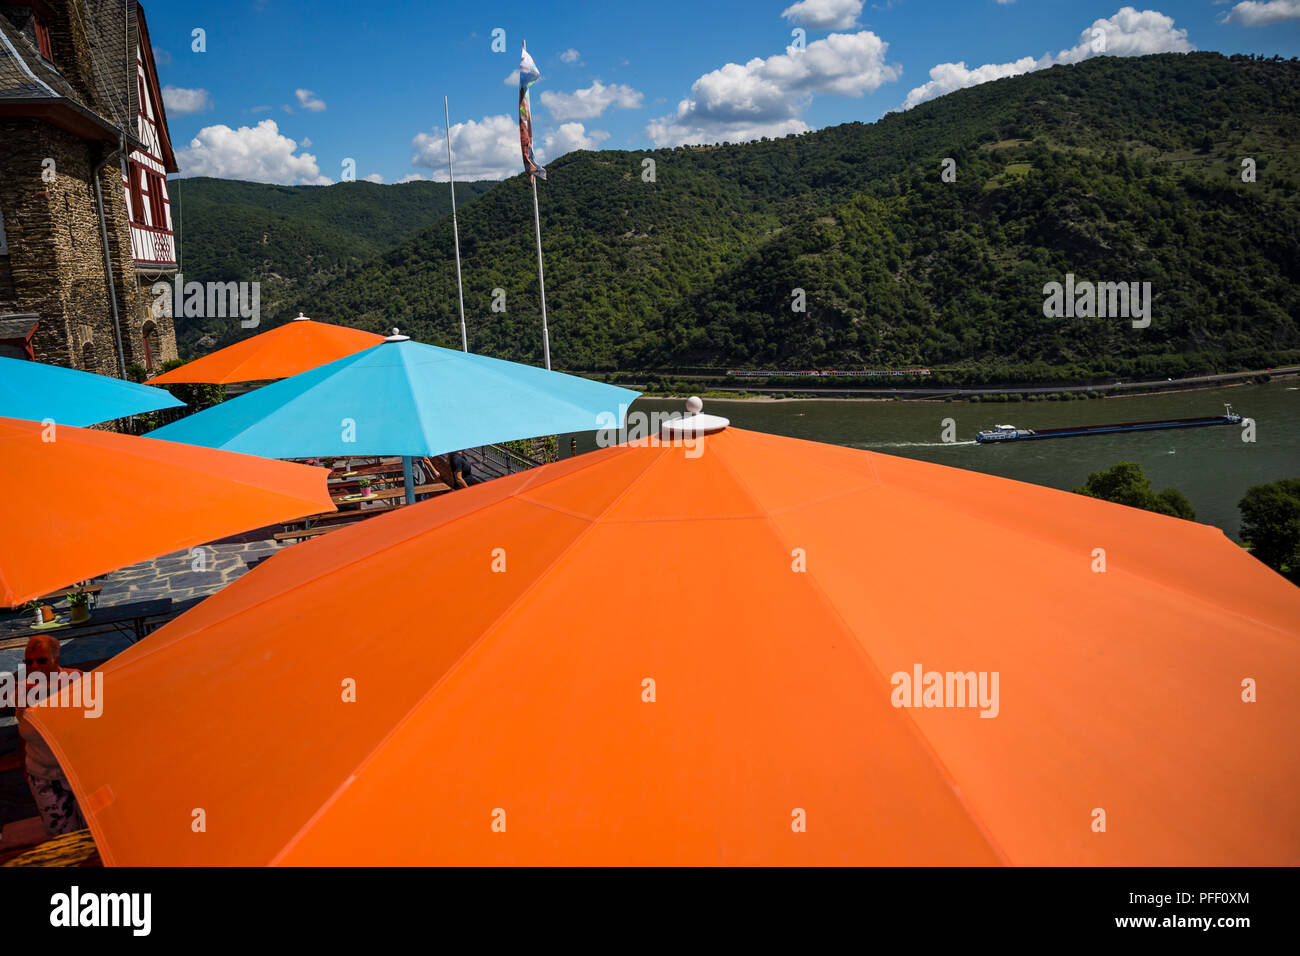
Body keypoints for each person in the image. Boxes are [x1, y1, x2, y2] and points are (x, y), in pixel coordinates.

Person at [16, 636, 87, 837]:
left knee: (95, 834)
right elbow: (23, 733)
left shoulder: (77, 681)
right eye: (29, 662)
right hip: (42, 778)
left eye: (41, 660)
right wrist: (24, 767)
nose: (34, 666)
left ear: (56, 659)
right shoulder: (23, 691)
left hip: (79, 774)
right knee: (62, 838)